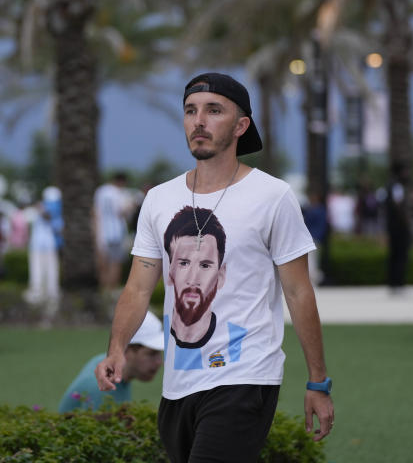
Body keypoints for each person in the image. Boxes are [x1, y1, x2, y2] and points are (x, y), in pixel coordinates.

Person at [95, 72, 334, 463]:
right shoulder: (158, 199)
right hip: (178, 385)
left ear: (241, 126)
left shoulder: (273, 196)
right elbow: (138, 289)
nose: (199, 121)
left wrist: (317, 382)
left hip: (245, 378)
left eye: (213, 110)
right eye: (190, 111)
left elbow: (298, 291)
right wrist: (117, 348)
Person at [59, 311, 163, 412]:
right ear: (125, 350)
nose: (159, 362)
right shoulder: (102, 386)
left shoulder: (106, 364)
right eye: (152, 354)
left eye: (159, 353)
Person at [94, 172, 131, 291]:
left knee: (103, 263)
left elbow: (95, 212)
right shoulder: (119, 193)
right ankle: (112, 289)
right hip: (116, 232)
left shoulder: (101, 191)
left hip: (102, 232)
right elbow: (121, 212)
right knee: (115, 263)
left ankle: (103, 289)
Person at [386, 161, 413, 292]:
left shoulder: (391, 185)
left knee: (395, 254)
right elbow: (398, 206)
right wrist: (405, 222)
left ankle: (394, 282)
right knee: (399, 254)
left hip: (393, 227)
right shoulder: (397, 186)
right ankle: (397, 282)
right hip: (398, 227)